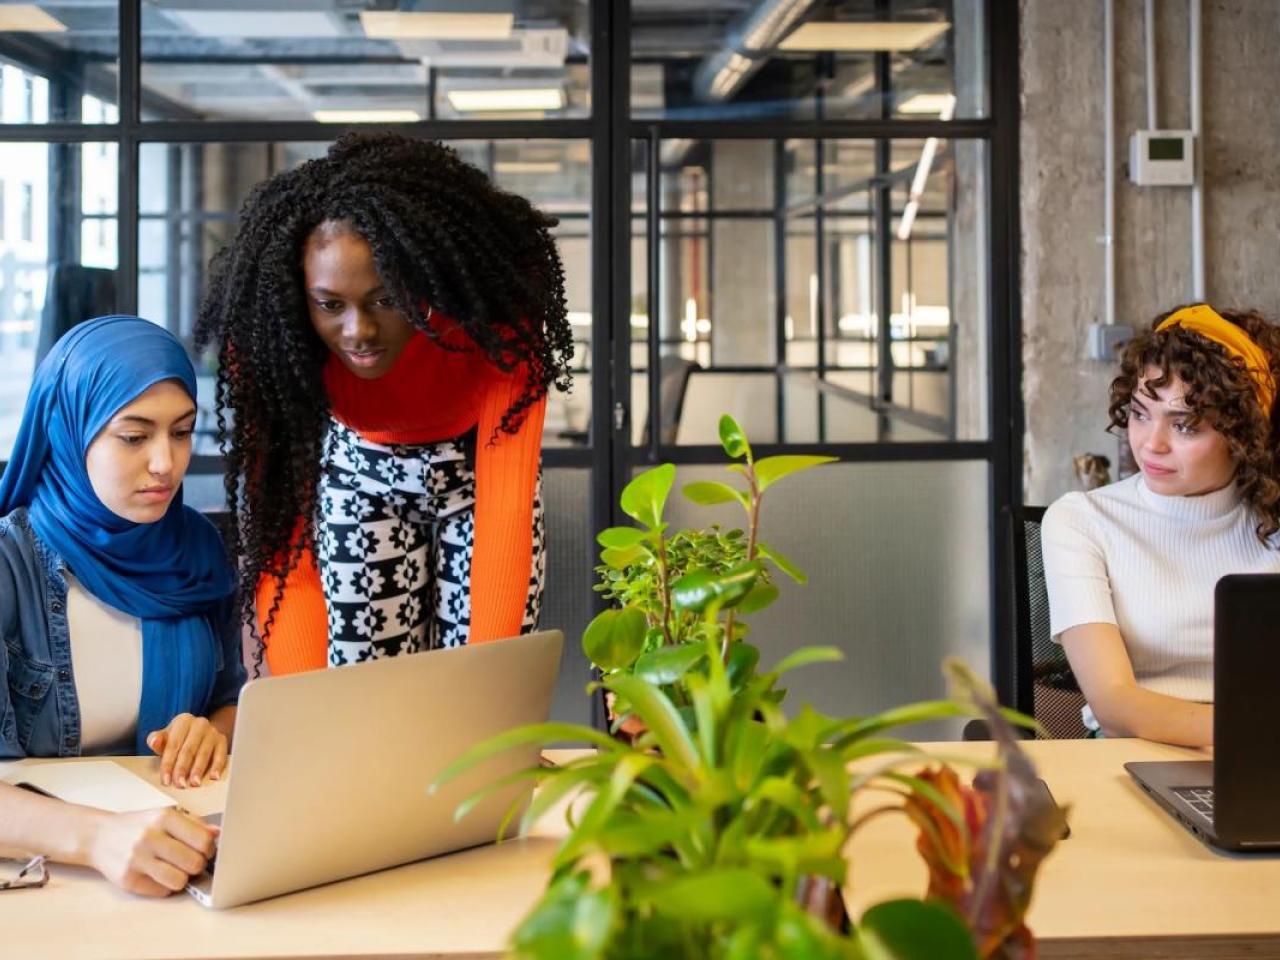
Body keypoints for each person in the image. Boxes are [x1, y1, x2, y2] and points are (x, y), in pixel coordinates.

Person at [195, 133, 572, 675]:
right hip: (360, 473)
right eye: (330, 305)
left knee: (476, 693)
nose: (360, 331)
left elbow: (506, 506)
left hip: (476, 479)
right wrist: (310, 711)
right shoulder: (267, 331)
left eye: (387, 299)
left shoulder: (495, 307)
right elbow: (285, 545)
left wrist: (483, 707)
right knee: (364, 690)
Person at [0, 315, 245, 895]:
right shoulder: (11, 564)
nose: (166, 463)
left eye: (182, 432)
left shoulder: (196, 549)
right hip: (47, 875)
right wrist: (100, 839)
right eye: (134, 437)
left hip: (180, 854)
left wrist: (212, 730)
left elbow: (231, 696)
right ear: (69, 430)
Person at [1042, 304, 1280, 746]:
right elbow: (1113, 703)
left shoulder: (1272, 522)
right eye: (1139, 412)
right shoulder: (1081, 521)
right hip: (1133, 754)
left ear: (1244, 434)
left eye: (1185, 426)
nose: (1151, 444)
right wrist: (1249, 736)